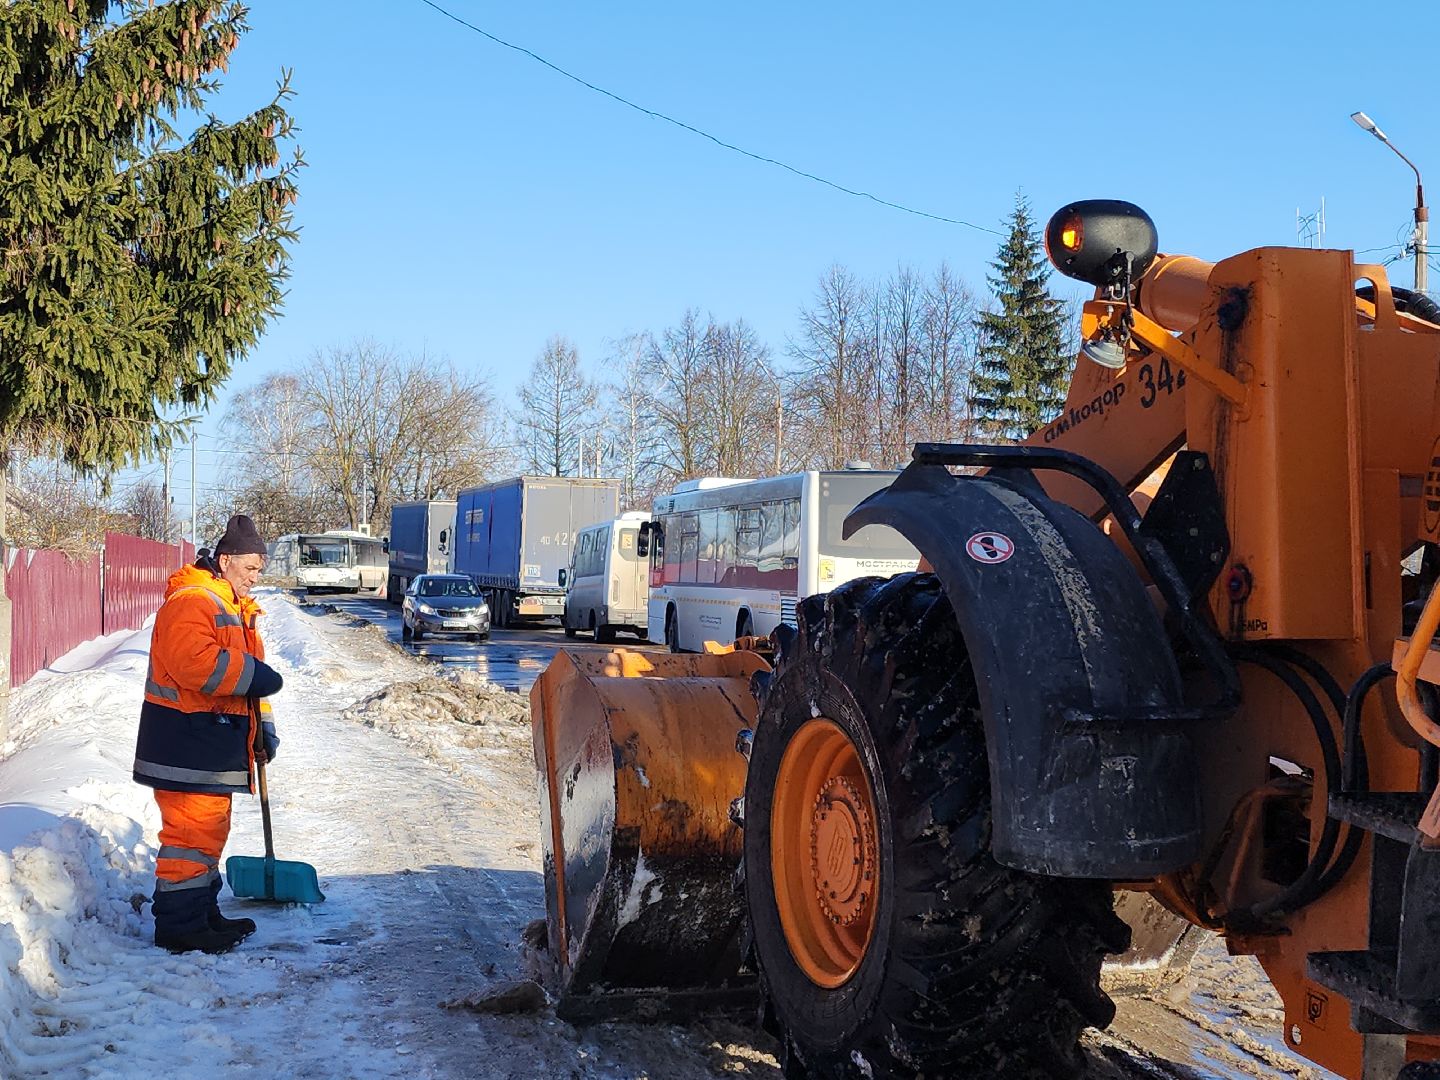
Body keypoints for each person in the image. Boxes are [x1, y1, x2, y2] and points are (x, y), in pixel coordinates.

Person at [132, 514, 285, 954]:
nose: (256, 578)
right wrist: (255, 673)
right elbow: (194, 664)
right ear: (226, 560)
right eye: (251, 569)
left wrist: (264, 728)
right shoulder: (193, 601)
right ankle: (180, 927)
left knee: (207, 833)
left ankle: (201, 913)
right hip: (185, 741)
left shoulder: (233, 607)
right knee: (189, 837)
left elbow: (248, 690)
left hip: (210, 740)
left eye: (260, 569)